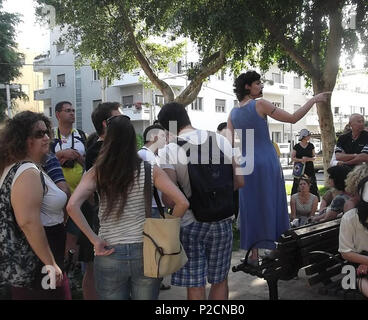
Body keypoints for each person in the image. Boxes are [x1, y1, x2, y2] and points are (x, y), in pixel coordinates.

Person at [66, 114, 189, 300]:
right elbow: (182, 202)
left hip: (108, 250)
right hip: (146, 250)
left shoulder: (97, 172)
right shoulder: (149, 169)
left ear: (108, 139)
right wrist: (166, 229)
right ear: (134, 139)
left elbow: (72, 206)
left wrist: (94, 240)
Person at [228, 70, 330, 262]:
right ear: (247, 86)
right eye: (258, 83)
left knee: (250, 207)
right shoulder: (260, 104)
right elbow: (292, 118)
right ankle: (277, 248)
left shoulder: (233, 113)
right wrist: (314, 99)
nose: (261, 86)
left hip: (245, 163)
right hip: (266, 160)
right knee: (271, 202)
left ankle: (253, 255)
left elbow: (228, 142)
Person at [157, 102, 244, 300]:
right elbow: (240, 181)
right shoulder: (222, 141)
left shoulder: (169, 150)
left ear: (168, 127)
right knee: (220, 280)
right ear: (187, 116)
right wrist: (216, 196)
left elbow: (170, 199)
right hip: (222, 221)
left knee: (195, 284)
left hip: (191, 223)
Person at [0, 111, 63, 299]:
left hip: (35, 257)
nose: (46, 138)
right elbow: (28, 222)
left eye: (46, 133)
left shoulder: (20, 167)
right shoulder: (27, 171)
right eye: (39, 134)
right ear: (24, 139)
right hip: (36, 260)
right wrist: (50, 263)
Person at [77, 102, 121, 300]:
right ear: (106, 123)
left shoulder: (107, 148)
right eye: (119, 118)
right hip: (100, 217)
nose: (124, 122)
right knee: (94, 267)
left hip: (106, 216)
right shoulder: (99, 150)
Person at [51, 101, 87, 269]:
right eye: (67, 111)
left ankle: (72, 270)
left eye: (73, 110)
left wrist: (77, 158)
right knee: (59, 235)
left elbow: (89, 164)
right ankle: (60, 267)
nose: (72, 113)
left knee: (75, 234)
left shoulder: (81, 135)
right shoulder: (50, 136)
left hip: (79, 195)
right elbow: (41, 160)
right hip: (56, 197)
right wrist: (60, 154)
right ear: (58, 114)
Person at [137, 123, 171, 291]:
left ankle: (155, 283)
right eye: (164, 136)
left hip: (156, 208)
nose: (167, 139)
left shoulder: (152, 155)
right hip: (150, 210)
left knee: (157, 251)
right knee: (153, 251)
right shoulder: (144, 156)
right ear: (154, 137)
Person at [291, 129, 320, 200]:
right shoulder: (296, 146)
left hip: (309, 167)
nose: (309, 136)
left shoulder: (311, 145)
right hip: (299, 168)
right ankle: (295, 199)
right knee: (297, 182)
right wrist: (301, 160)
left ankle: (314, 199)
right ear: (304, 136)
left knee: (312, 182)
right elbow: (292, 158)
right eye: (308, 135)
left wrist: (307, 159)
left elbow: (314, 157)